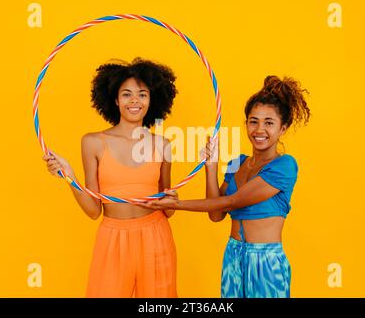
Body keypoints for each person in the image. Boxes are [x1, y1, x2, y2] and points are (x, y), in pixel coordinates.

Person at [136, 75, 310, 298]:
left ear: (283, 128)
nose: (259, 129)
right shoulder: (237, 162)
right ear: (246, 123)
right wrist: (211, 167)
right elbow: (216, 214)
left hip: (265, 260)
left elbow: (232, 201)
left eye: (269, 123)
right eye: (253, 121)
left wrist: (176, 204)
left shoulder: (284, 166)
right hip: (233, 255)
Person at [42, 58, 179, 298]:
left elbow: (168, 208)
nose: (134, 101)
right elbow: (94, 211)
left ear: (152, 100)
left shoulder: (163, 144)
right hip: (113, 238)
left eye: (142, 94)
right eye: (126, 94)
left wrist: (173, 201)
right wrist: (69, 176)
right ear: (115, 100)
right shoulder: (93, 142)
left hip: (156, 236)